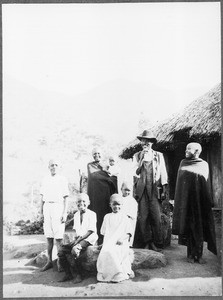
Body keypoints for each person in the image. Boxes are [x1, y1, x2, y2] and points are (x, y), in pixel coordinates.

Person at [172, 142, 217, 264]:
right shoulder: (183, 163)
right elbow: (181, 184)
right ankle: (190, 255)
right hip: (186, 202)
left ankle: (199, 254)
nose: (185, 151)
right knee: (188, 226)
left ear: (197, 151)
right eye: (186, 148)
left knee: (199, 227)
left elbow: (205, 182)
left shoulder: (204, 165)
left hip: (200, 202)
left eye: (188, 149)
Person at [133, 130, 168, 251]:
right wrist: (141, 161)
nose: (145, 143)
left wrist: (164, 189)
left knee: (156, 217)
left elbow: (163, 173)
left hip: (154, 190)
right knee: (143, 218)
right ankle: (147, 242)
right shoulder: (137, 156)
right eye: (143, 140)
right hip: (142, 191)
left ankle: (157, 243)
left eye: (148, 141)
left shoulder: (158, 156)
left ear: (152, 142)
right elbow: (135, 173)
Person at [57, 193, 98, 283]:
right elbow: (77, 231)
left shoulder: (92, 214)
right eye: (79, 201)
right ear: (76, 203)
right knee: (61, 251)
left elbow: (91, 231)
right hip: (80, 238)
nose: (81, 203)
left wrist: (78, 241)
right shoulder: (76, 215)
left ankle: (79, 275)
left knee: (75, 250)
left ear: (88, 202)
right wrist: (75, 240)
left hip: (89, 239)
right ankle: (68, 274)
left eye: (84, 201)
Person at [96, 194, 134, 283]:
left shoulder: (124, 217)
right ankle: (108, 273)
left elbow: (129, 233)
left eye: (118, 204)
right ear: (110, 205)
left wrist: (122, 239)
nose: (116, 206)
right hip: (109, 242)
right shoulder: (107, 216)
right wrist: (104, 243)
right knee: (105, 251)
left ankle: (118, 273)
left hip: (121, 242)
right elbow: (105, 232)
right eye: (114, 204)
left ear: (122, 205)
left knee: (113, 251)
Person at [40, 159, 69, 272]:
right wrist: (41, 212)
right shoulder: (45, 179)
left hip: (58, 207)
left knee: (58, 237)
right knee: (49, 236)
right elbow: (41, 198)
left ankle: (60, 262)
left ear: (59, 167)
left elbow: (66, 197)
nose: (54, 167)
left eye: (56, 165)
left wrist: (65, 212)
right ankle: (49, 261)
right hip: (47, 207)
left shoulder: (62, 179)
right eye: (52, 165)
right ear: (49, 167)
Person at [87, 147, 117, 243]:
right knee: (97, 216)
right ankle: (97, 238)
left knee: (106, 215)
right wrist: (108, 178)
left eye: (98, 153)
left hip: (106, 195)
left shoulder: (106, 165)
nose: (97, 155)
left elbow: (114, 177)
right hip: (96, 196)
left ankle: (106, 238)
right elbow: (94, 176)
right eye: (94, 154)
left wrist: (110, 178)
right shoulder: (90, 165)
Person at [121, 181, 138, 246]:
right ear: (121, 189)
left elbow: (132, 215)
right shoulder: (119, 199)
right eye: (125, 190)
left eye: (129, 190)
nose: (127, 192)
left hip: (128, 221)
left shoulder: (132, 201)